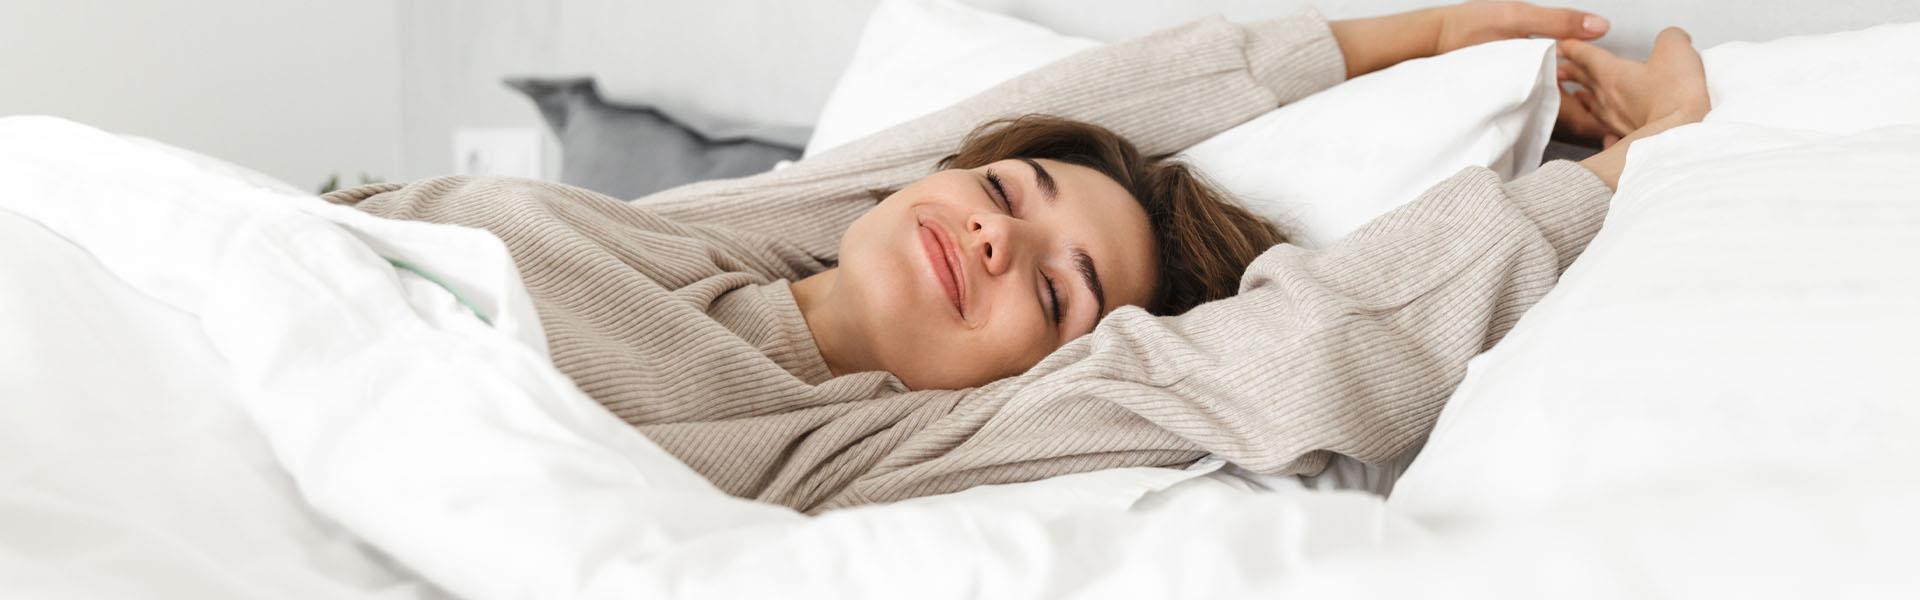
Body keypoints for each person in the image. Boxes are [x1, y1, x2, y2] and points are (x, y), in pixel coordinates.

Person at [324, 2, 1709, 513]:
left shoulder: (867, 445)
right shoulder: (746, 226)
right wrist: (1392, 39)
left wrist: (1626, 171)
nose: (992, 236)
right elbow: (1103, 104)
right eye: (1002, 192)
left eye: (1054, 289)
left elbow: (1294, 356)